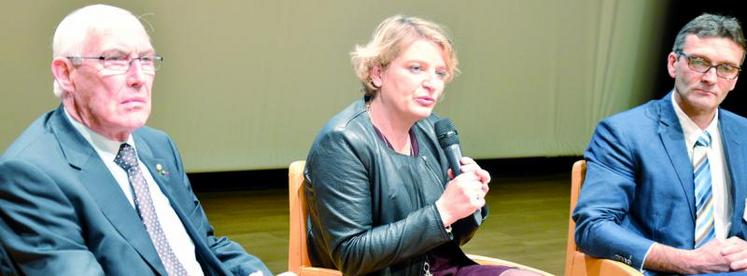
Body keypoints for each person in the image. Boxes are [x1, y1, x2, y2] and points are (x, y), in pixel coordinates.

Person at [0, 4, 271, 275]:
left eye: (145, 60)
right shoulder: (31, 175)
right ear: (66, 73)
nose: (139, 78)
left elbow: (205, 246)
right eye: (116, 60)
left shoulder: (157, 146)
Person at [304, 15, 539, 276]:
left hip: (441, 269)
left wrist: (469, 203)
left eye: (440, 73)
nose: (432, 83)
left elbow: (453, 239)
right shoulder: (342, 141)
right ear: (378, 73)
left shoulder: (432, 130)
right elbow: (351, 255)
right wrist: (442, 212)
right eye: (416, 68)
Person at [574, 13, 747, 275]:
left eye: (726, 68)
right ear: (673, 64)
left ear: (734, 78)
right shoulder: (623, 133)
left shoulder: (743, 133)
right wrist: (689, 261)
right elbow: (593, 228)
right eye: (699, 62)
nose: (711, 78)